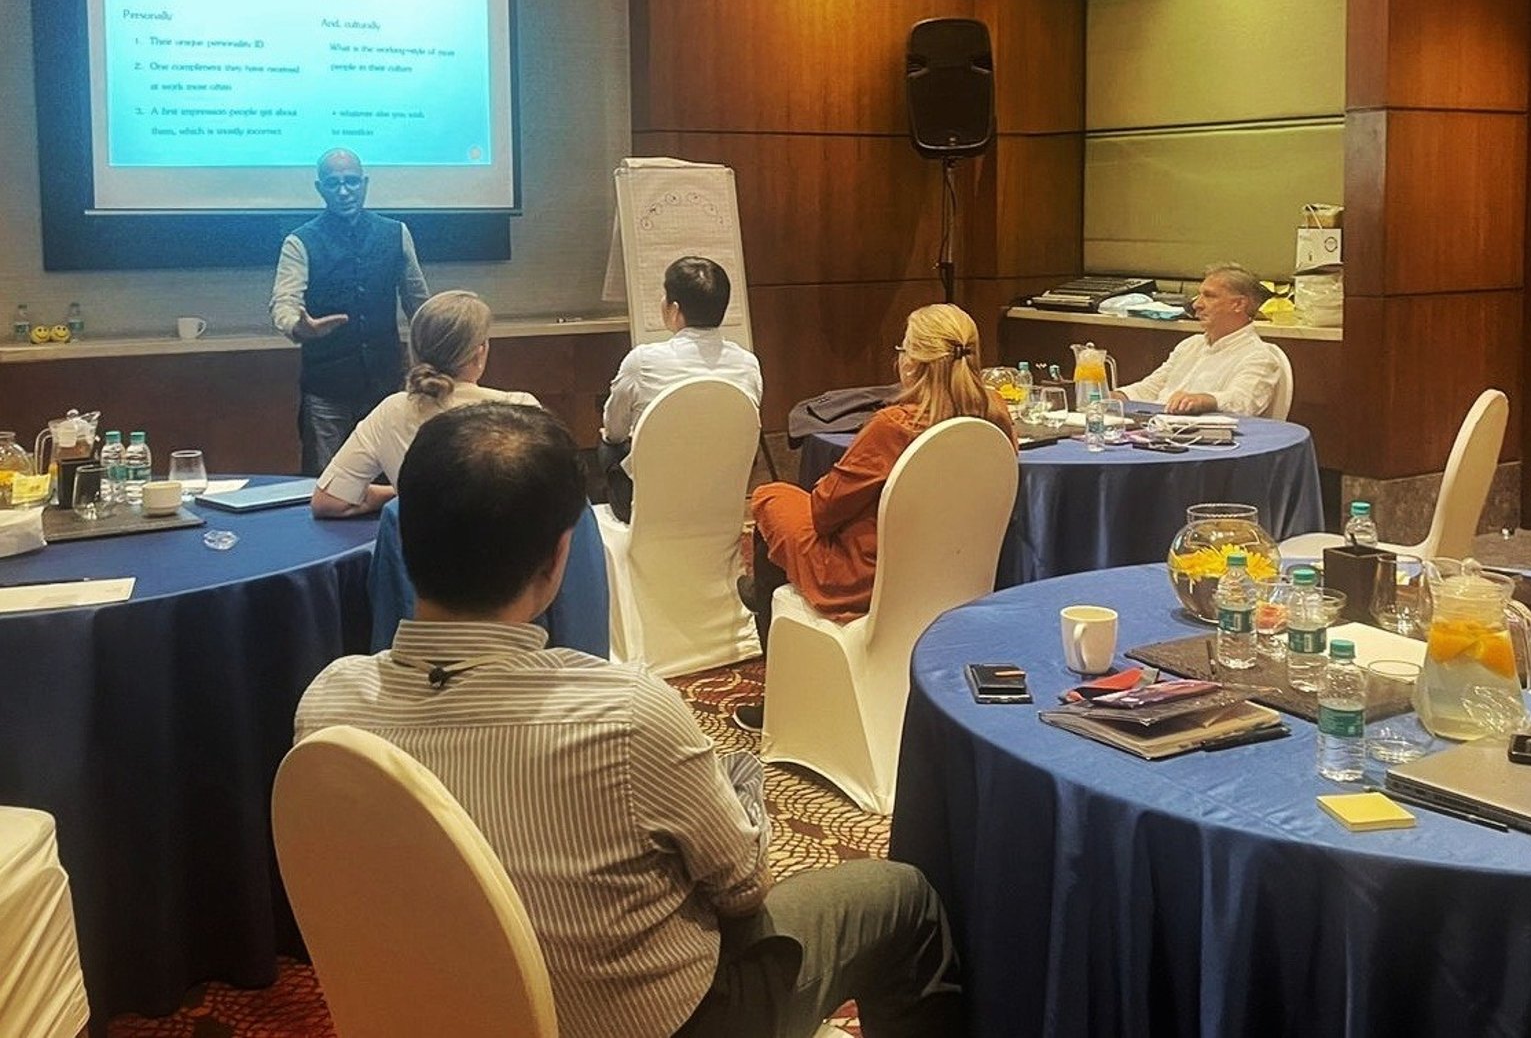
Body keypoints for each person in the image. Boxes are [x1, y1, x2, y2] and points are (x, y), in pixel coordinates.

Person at [296, 403, 965, 1038]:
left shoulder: (328, 708)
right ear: (558, 558)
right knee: (902, 897)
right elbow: (743, 886)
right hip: (664, 1022)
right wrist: (741, 787)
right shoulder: (626, 715)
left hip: (430, 1013)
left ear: (403, 537)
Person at [735, 304, 1014, 732]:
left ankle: (779, 695)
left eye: (902, 349)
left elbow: (824, 512)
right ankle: (764, 598)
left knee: (771, 498)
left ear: (911, 364)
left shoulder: (893, 426)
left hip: (868, 578)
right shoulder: (995, 414)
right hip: (956, 575)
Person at [271, 148, 432, 475]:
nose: (344, 191)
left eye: (352, 182)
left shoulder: (396, 233)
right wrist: (300, 328)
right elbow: (283, 302)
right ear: (320, 188)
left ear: (365, 183)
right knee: (324, 484)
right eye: (334, 183)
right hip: (327, 391)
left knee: (395, 480)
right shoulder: (300, 241)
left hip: (387, 386)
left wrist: (436, 351)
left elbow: (418, 301)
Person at [311, 289, 537, 517]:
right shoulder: (521, 409)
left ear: (414, 351)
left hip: (423, 540)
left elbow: (328, 501)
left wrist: (402, 494)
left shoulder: (391, 412)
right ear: (480, 353)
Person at [600, 255, 763, 523]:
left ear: (674, 309)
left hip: (649, 506)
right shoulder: (748, 364)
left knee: (610, 444)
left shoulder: (642, 362)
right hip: (717, 501)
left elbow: (614, 430)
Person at [1113, 263, 1283, 416]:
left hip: (1201, 438)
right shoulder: (1190, 345)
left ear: (1238, 304)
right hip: (1155, 426)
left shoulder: (1260, 356)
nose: (1196, 305)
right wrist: (1115, 396)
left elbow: (1243, 402)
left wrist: (1205, 400)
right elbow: (1153, 387)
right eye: (1199, 296)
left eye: (1209, 296)